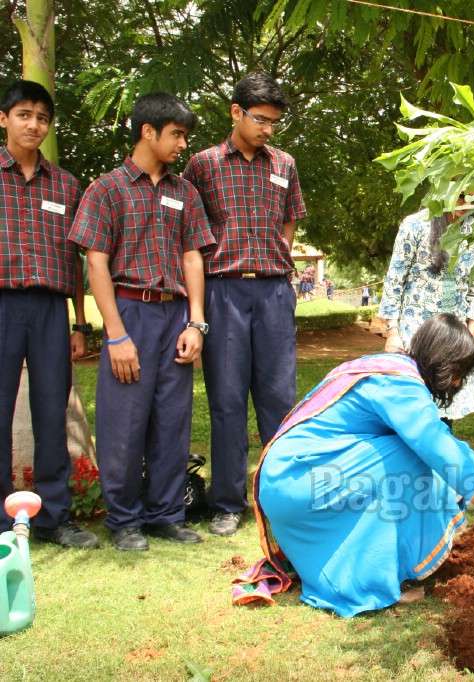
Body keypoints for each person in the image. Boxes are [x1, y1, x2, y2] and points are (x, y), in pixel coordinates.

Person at [231, 314, 474, 616]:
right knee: (411, 455)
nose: (458, 383)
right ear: (443, 361)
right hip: (300, 480)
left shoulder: (387, 370)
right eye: (459, 372)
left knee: (408, 455)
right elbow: (437, 445)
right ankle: (365, 584)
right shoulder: (400, 384)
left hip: (288, 482)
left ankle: (379, 568)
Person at [69, 93, 215, 551]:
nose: (181, 145)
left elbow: (193, 257)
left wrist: (196, 323)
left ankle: (166, 514)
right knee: (124, 422)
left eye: (185, 136)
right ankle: (124, 519)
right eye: (176, 134)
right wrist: (116, 336)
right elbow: (96, 264)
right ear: (147, 132)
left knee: (173, 419)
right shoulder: (106, 189)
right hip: (128, 310)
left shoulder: (184, 192)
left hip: (175, 313)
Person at [183, 72, 307, 538]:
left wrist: (279, 254)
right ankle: (228, 502)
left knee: (279, 401)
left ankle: (279, 497)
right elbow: (191, 230)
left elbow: (292, 217)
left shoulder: (285, 164)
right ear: (235, 112)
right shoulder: (203, 164)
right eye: (260, 120)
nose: (268, 130)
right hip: (223, 292)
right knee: (227, 402)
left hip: (274, 292)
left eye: (275, 122)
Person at [0, 80, 96, 549]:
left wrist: (80, 322)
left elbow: (76, 261)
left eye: (42, 117)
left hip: (51, 310)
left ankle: (54, 517)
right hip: (2, 304)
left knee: (51, 413)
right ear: (4, 119)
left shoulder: (66, 185)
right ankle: (2, 522)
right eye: (24, 114)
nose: (33, 124)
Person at [378, 194, 474, 421]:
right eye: (461, 196)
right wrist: (392, 332)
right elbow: (395, 280)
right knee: (409, 413)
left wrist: (470, 336)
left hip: (453, 341)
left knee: (444, 415)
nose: (467, 204)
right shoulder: (415, 225)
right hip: (416, 338)